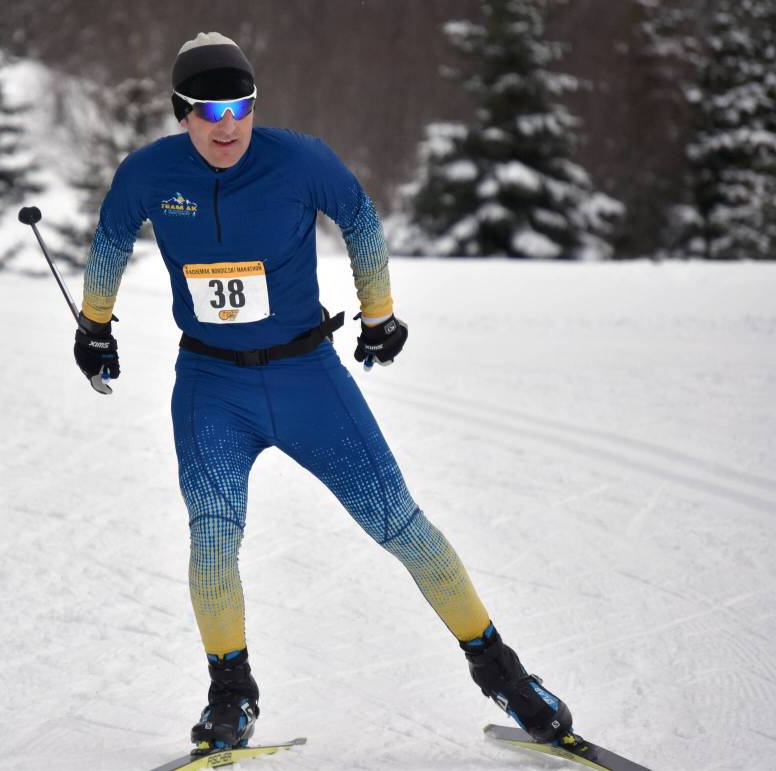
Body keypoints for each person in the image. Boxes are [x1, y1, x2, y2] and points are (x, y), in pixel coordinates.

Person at [75, 32, 582, 757]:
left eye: (240, 105)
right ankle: (231, 693)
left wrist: (380, 314)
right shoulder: (148, 172)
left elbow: (362, 222)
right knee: (212, 537)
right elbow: (109, 241)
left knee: (401, 525)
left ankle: (507, 675)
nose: (227, 124)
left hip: (307, 377)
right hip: (211, 388)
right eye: (209, 109)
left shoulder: (300, 158)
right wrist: (94, 327)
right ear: (182, 112)